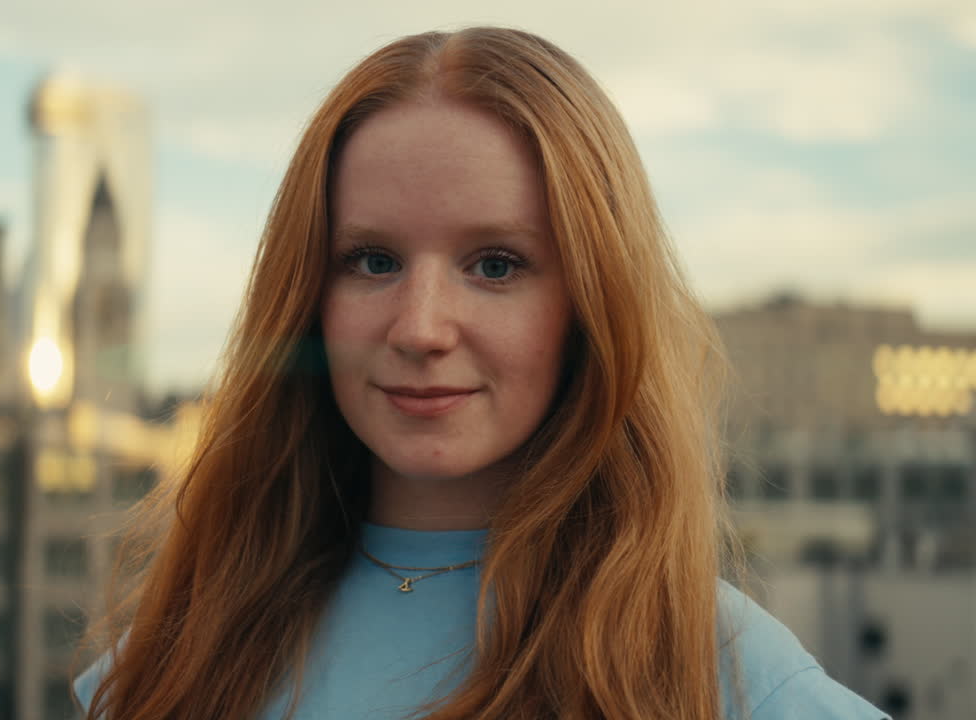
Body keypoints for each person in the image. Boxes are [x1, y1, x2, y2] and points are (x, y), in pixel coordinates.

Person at [73, 27, 889, 720]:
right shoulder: (169, 665)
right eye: (372, 260)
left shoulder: (720, 676)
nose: (421, 327)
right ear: (306, 298)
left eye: (496, 265)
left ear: (592, 305)